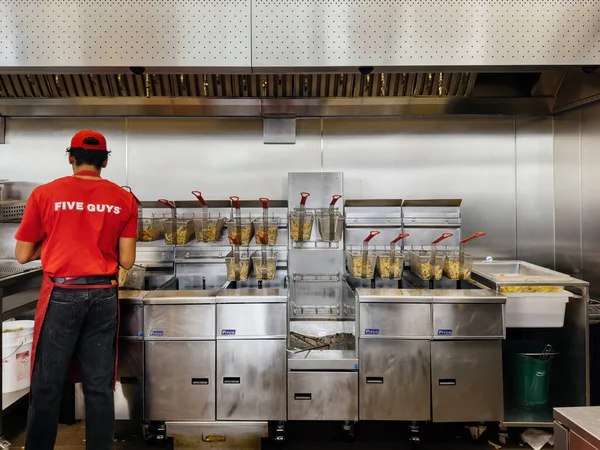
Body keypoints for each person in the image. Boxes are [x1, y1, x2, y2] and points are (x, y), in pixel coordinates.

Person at [14, 130, 138, 450]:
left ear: (71, 158)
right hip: (103, 295)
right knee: (98, 385)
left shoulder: (44, 194)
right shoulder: (124, 199)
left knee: (47, 384)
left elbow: (23, 254)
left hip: (61, 294)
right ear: (105, 161)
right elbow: (126, 261)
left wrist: (56, 241)